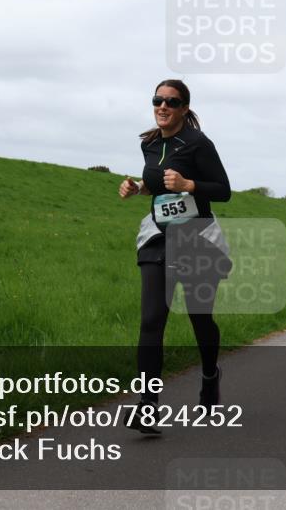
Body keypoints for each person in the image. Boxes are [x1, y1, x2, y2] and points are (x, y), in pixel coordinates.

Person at [118, 79, 231, 434]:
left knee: (200, 319)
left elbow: (223, 190)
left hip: (197, 239)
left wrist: (189, 185)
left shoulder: (199, 143)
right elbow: (156, 185)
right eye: (158, 100)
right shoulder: (149, 143)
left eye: (172, 101)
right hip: (159, 237)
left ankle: (210, 376)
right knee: (152, 320)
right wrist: (138, 188)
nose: (163, 106)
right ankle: (148, 406)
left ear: (184, 108)